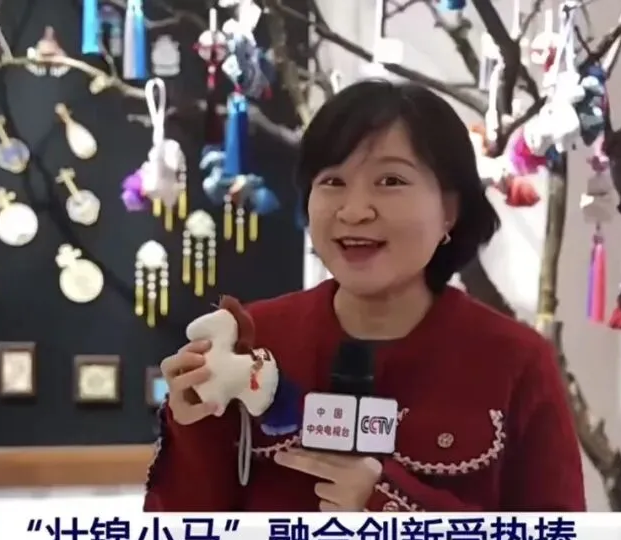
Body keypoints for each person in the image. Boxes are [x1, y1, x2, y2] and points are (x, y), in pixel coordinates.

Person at [145, 80, 585, 512]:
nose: (354, 211)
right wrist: (192, 428)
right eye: (332, 181)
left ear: (449, 210)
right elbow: (179, 539)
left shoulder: (516, 362)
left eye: (390, 180)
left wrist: (387, 505)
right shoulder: (254, 340)